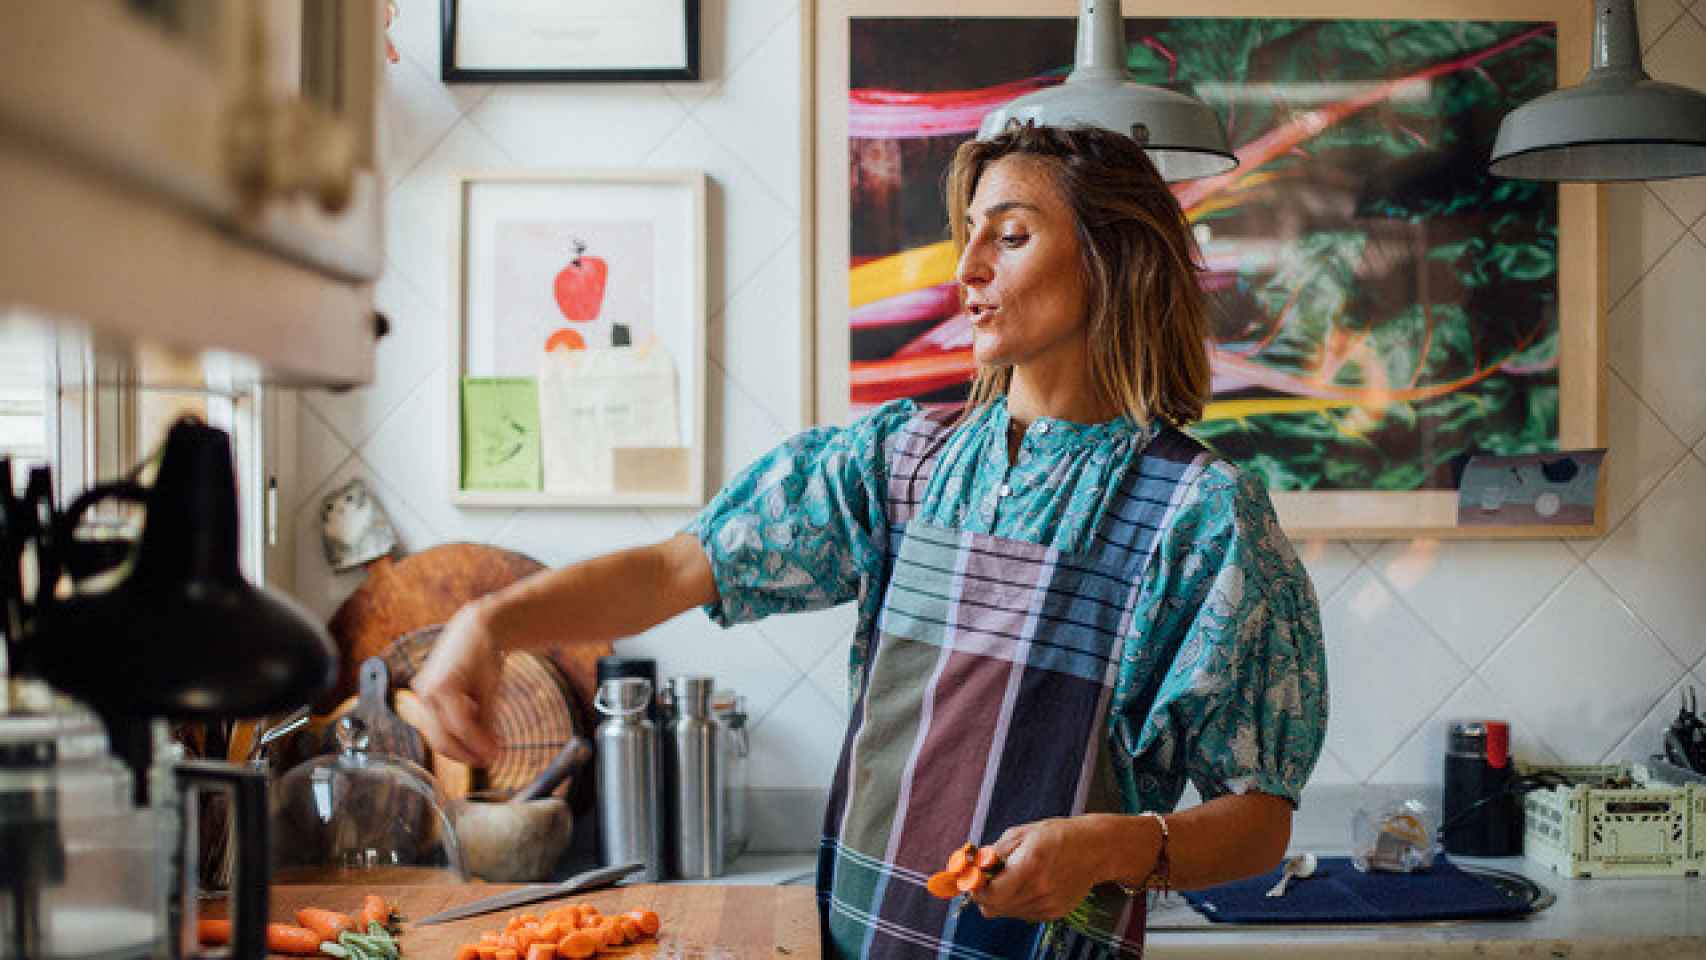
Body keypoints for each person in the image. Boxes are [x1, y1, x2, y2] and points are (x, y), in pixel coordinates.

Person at [414, 122, 1328, 959]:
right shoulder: (898, 461)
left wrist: (1117, 845)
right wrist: (490, 624)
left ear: (1113, 260)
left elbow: (1259, 815)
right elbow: (677, 567)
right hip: (856, 937)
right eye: (967, 232)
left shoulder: (1199, 515)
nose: (966, 266)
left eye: (1008, 236)